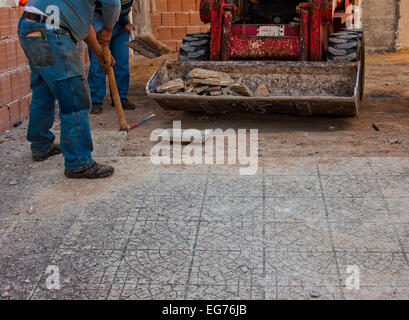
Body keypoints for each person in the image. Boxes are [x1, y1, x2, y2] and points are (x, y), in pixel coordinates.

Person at [18, 0, 120, 179]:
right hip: (52, 30)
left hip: (30, 26)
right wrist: (108, 29)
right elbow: (113, 3)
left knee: (44, 91)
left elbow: (84, 25)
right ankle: (78, 162)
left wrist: (99, 54)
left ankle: (40, 144)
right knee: (75, 97)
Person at [88, 0, 136, 114]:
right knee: (99, 61)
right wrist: (123, 21)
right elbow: (111, 4)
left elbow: (123, 6)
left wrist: (124, 21)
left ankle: (120, 97)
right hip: (100, 18)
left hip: (120, 21)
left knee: (122, 61)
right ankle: (95, 100)